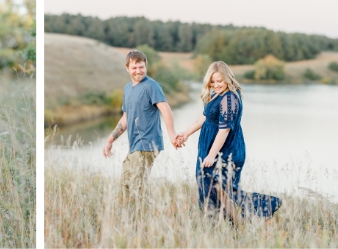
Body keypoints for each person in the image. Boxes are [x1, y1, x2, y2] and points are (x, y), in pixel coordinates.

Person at [173, 61, 281, 221]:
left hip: (225, 150)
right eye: (213, 81)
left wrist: (211, 155)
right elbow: (205, 116)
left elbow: (224, 130)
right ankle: (226, 227)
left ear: (228, 79)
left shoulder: (229, 99)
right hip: (211, 148)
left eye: (220, 81)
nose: (216, 84)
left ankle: (264, 207)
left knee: (223, 191)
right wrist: (186, 133)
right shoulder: (217, 94)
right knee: (215, 190)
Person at [101, 49, 180, 203]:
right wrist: (110, 140)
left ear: (146, 66)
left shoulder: (151, 86)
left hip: (147, 144)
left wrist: (172, 134)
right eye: (134, 67)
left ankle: (143, 220)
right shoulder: (127, 89)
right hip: (134, 146)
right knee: (126, 183)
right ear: (127, 68)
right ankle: (133, 219)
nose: (138, 71)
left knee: (137, 187)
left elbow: (166, 109)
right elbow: (125, 118)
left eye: (141, 67)